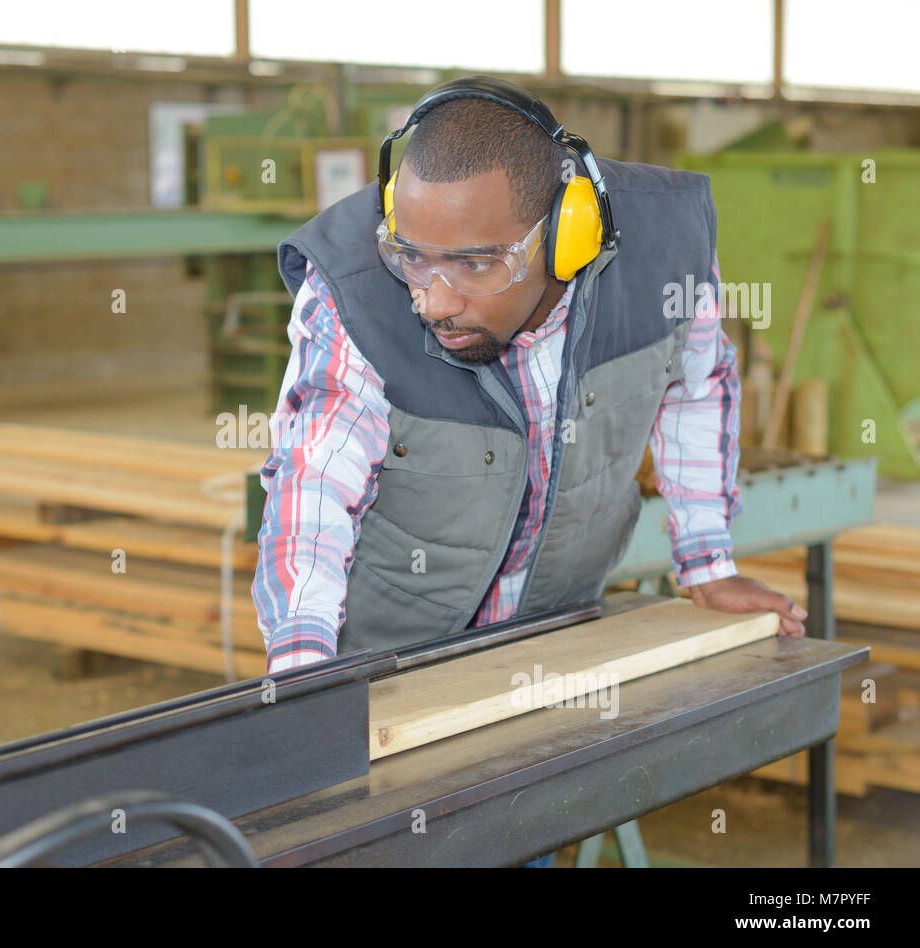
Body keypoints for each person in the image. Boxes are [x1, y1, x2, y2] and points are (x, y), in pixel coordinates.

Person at [253, 76, 808, 675]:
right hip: (387, 657)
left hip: (561, 637)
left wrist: (708, 562)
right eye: (411, 257)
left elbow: (697, 384)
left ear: (565, 236)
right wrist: (303, 668)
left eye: (476, 263)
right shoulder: (351, 286)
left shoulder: (666, 248)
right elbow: (315, 482)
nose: (433, 303)